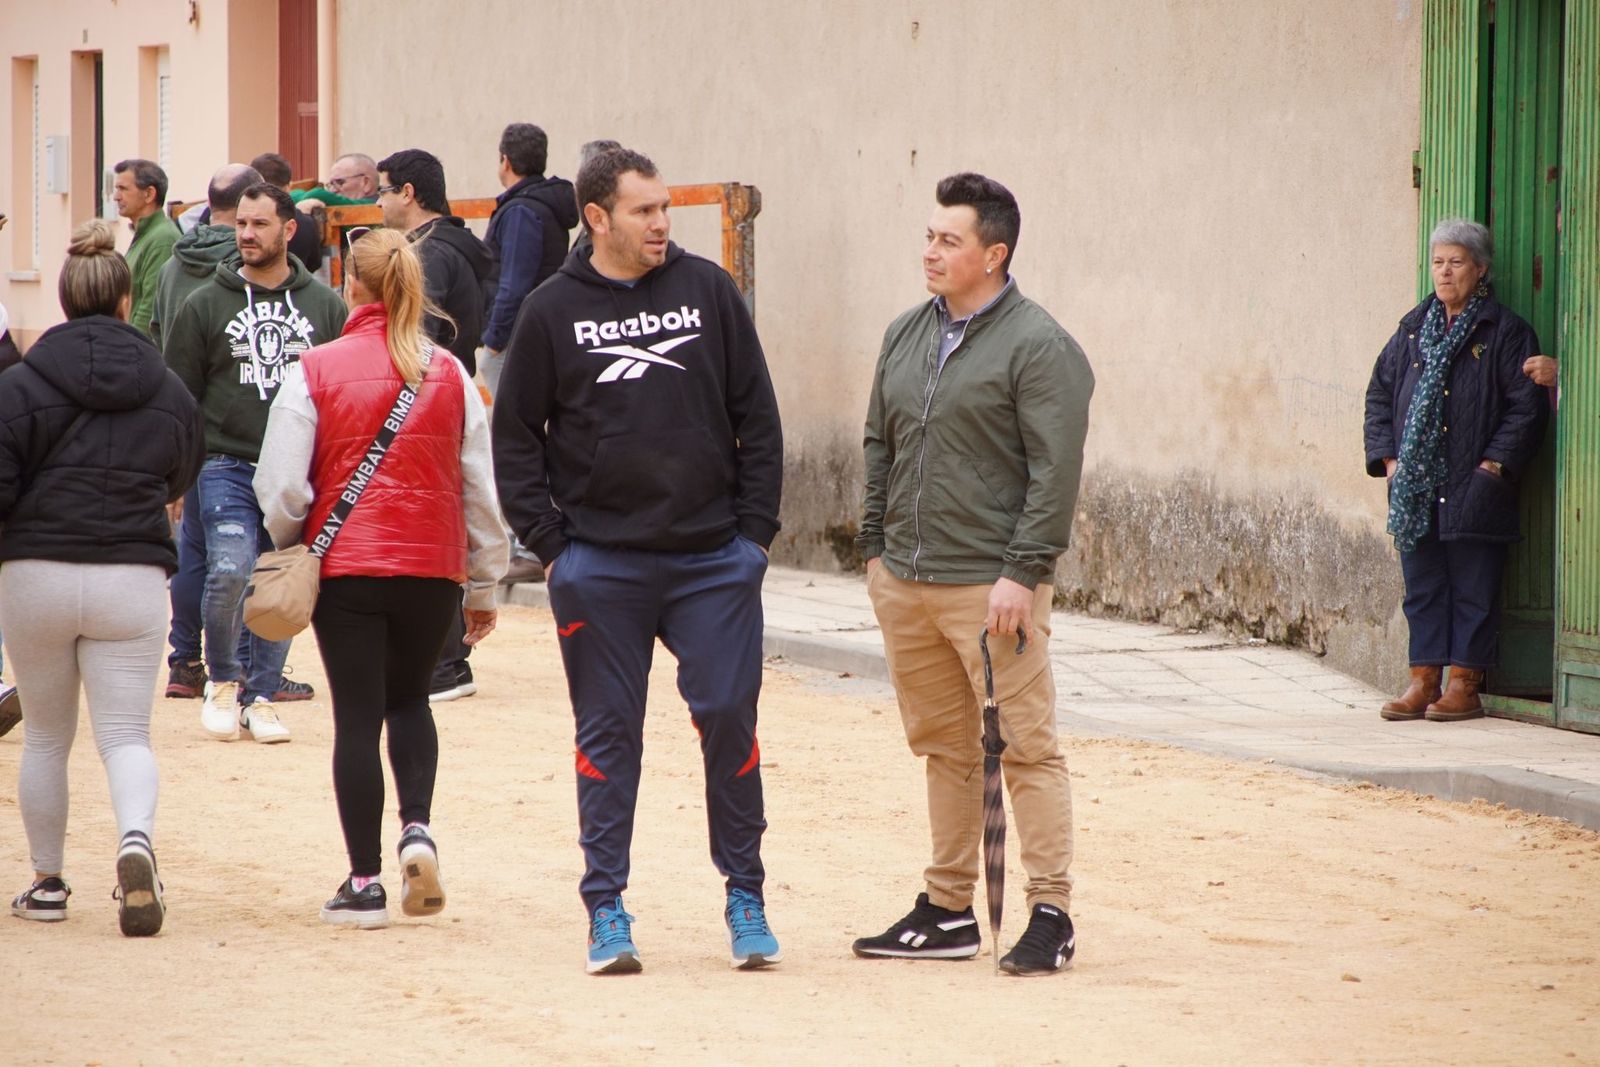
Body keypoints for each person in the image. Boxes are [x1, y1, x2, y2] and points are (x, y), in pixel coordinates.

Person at [494, 147, 785, 974]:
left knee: (728, 716)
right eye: (644, 211)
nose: (662, 224)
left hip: (712, 561)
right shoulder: (551, 311)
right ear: (597, 218)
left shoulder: (709, 292)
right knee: (609, 737)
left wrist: (754, 539)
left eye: (665, 209)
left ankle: (746, 894)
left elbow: (759, 418)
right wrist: (555, 550)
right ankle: (606, 907)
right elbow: (514, 438)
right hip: (602, 567)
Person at [852, 173, 1093, 977]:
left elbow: (1055, 470)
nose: (930, 251)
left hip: (992, 587)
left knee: (1024, 747)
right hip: (907, 580)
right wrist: (874, 550)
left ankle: (1051, 912)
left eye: (948, 240)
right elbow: (879, 442)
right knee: (945, 748)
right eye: (929, 236)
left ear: (994, 254)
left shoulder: (1039, 344)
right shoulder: (905, 332)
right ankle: (948, 907)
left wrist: (1023, 571)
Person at [256, 228, 508, 928]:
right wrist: (483, 584)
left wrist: (299, 542)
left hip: (347, 567)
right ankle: (417, 828)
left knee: (357, 717)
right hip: (432, 567)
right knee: (412, 701)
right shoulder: (450, 372)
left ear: (352, 285)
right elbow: (480, 489)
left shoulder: (313, 370)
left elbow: (280, 486)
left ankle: (364, 882)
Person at [0, 220, 203, 935]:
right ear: (125, 301)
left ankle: (47, 882)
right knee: (125, 736)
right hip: (131, 571)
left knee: (47, 737)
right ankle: (135, 841)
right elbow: (182, 472)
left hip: (36, 572)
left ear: (63, 300)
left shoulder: (18, 384)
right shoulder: (168, 387)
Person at [163, 183, 347, 743]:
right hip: (225, 463)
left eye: (259, 224)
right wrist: (175, 474)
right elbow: (179, 398)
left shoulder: (325, 306)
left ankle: (261, 695)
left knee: (280, 583)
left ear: (288, 230)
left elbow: (339, 396)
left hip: (296, 469)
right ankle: (224, 681)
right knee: (230, 568)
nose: (245, 234)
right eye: (241, 223)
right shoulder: (204, 303)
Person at [1365, 218, 1549, 722]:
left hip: (1475, 483)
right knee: (1422, 585)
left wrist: (1494, 467)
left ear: (1480, 269)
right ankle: (1422, 682)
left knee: (1473, 586)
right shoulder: (1411, 330)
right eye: (1438, 262)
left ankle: (1464, 685)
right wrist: (1391, 461)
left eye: (1456, 262)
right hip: (1416, 486)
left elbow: (1526, 408)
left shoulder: (1505, 331)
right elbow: (1380, 393)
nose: (1445, 272)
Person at [376, 148, 497, 703]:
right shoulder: (456, 247)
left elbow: (415, 339)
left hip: (425, 405)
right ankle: (444, 659)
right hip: (447, 396)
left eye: (382, 190)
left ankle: (445, 664)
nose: (378, 203)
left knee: (429, 530)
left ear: (407, 193)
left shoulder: (427, 255)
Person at [480, 123, 578, 399]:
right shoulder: (540, 204)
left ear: (506, 161)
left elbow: (514, 284)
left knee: (511, 413)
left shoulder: (521, 211)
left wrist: (495, 339)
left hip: (518, 333)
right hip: (537, 327)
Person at [113, 159, 181, 337]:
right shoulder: (146, 235)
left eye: (123, 189)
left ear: (149, 194)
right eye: (117, 189)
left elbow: (150, 309)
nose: (116, 197)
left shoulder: (163, 239)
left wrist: (130, 345)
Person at [249, 152, 325, 273]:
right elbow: (315, 263)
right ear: (288, 187)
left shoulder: (243, 219)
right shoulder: (306, 223)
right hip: (294, 282)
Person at [295, 153, 380, 207]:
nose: (332, 190)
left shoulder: (377, 206)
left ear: (366, 183)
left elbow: (318, 194)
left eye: (339, 182)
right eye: (331, 184)